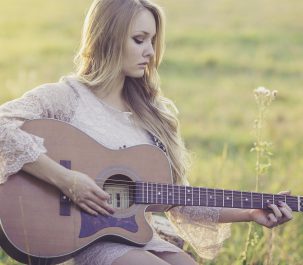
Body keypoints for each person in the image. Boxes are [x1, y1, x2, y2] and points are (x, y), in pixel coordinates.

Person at [0, 0, 293, 265]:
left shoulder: (152, 113)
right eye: (139, 40)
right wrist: (67, 180)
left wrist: (251, 212)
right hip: (83, 239)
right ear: (108, 38)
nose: (151, 52)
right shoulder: (67, 98)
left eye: (152, 41)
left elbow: (178, 199)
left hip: (134, 235)